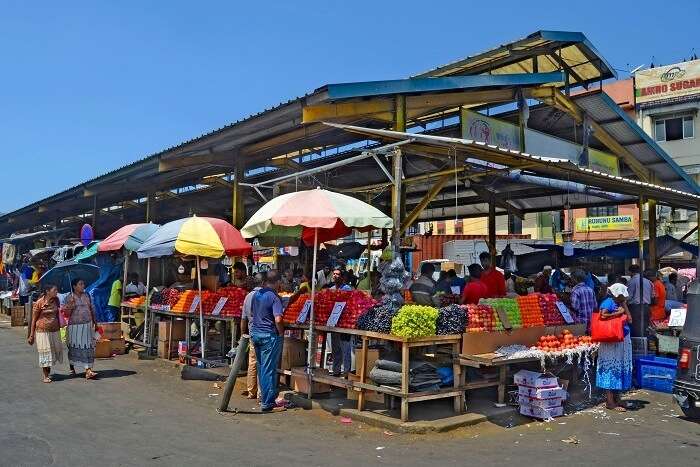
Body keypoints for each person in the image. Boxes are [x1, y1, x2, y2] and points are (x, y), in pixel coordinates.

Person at [242, 272, 285, 412]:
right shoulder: (274, 297)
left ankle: (267, 398)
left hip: (256, 334)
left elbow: (253, 316)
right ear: (277, 282)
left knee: (261, 368)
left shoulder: (257, 295)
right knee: (268, 369)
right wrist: (281, 332)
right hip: (268, 336)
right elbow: (278, 319)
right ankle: (267, 402)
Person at [596, 283, 633, 412]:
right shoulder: (607, 302)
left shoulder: (621, 303)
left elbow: (630, 319)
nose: (625, 297)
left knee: (619, 368)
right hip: (611, 343)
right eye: (622, 296)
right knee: (611, 369)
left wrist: (624, 307)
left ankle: (617, 399)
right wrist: (617, 315)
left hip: (621, 341)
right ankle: (610, 402)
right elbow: (602, 316)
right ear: (617, 294)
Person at [27, 284, 64, 383]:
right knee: (45, 353)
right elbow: (33, 319)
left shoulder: (56, 300)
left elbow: (60, 312)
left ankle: (48, 370)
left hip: (55, 330)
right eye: (55, 290)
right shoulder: (39, 302)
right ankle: (45, 375)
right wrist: (31, 335)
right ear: (48, 291)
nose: (57, 291)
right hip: (42, 331)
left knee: (52, 353)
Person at [64, 278, 98, 380]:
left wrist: (96, 322)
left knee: (87, 347)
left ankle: (88, 370)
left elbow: (92, 308)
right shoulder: (69, 297)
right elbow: (66, 314)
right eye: (80, 284)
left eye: (83, 284)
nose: (83, 286)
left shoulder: (87, 295)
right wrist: (70, 305)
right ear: (74, 286)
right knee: (74, 346)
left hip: (87, 325)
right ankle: (72, 366)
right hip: (74, 326)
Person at [240, 276, 263, 400]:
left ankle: (251, 391)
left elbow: (243, 319)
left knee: (252, 362)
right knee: (262, 363)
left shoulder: (248, 296)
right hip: (264, 333)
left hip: (252, 333)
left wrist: (243, 334)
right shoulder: (265, 296)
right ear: (263, 283)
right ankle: (261, 392)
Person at [329, 269, 353, 376]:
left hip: (344, 323)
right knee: (335, 348)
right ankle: (336, 370)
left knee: (345, 348)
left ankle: (347, 372)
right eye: (334, 274)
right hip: (334, 322)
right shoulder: (331, 289)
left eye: (337, 274)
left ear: (342, 277)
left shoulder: (347, 289)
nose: (335, 276)